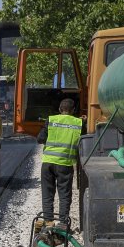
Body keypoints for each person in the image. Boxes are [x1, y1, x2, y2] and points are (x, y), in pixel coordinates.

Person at [37, 98, 83, 229]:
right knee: (64, 195)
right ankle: (63, 223)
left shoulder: (51, 120)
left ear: (59, 109)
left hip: (48, 164)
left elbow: (40, 139)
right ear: (73, 110)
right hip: (65, 165)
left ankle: (48, 223)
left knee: (47, 194)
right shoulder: (78, 123)